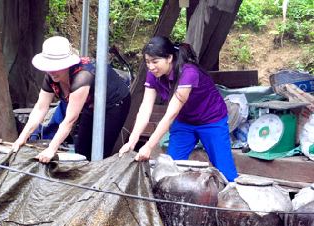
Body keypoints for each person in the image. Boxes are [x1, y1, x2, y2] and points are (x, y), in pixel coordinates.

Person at [119, 36, 238, 182]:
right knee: (170, 168)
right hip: (184, 122)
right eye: (147, 62)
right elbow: (145, 109)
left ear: (169, 58)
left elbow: (170, 114)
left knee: (224, 171)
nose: (151, 67)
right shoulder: (152, 74)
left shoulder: (188, 72)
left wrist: (149, 146)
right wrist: (132, 140)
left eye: (155, 61)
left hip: (211, 120)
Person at [12, 36, 131, 162]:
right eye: (49, 66)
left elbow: (70, 120)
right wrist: (22, 137)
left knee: (101, 150)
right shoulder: (50, 77)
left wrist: (52, 149)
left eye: (56, 66)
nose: (52, 71)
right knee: (82, 148)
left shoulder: (82, 76)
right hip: (91, 104)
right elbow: (40, 108)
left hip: (115, 102)